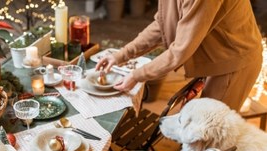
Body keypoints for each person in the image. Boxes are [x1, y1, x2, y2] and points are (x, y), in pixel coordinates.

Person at [96, 0, 263, 111]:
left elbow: (181, 50)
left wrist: (137, 75)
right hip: (218, 56)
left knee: (211, 132)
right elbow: (161, 25)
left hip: (235, 60)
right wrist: (121, 55)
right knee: (203, 127)